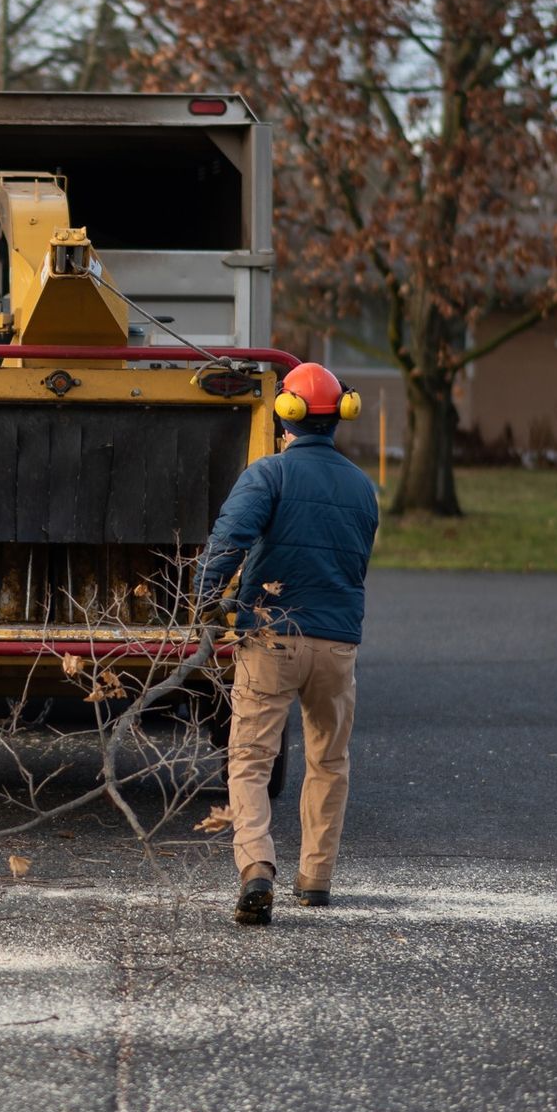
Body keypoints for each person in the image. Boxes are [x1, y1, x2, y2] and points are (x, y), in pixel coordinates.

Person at [194, 362, 378, 926]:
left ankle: (256, 868)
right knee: (329, 760)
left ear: (287, 415)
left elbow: (230, 540)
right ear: (339, 417)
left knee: (249, 761)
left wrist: (207, 601)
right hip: (337, 645)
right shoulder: (362, 487)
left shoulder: (267, 474)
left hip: (271, 637)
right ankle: (315, 880)